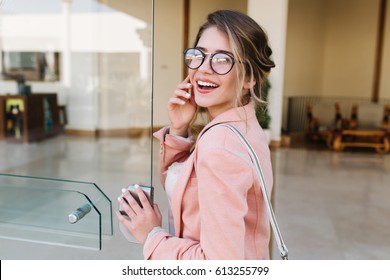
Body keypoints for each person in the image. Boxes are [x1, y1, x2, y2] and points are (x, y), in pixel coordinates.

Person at [117, 9, 275, 260]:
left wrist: (151, 236)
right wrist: (179, 128)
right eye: (198, 55)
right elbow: (191, 188)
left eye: (222, 59)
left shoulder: (220, 145)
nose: (203, 68)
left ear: (250, 78)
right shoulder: (244, 126)